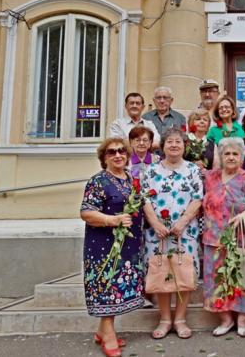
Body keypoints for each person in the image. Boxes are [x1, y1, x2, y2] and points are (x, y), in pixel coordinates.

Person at [80, 138, 144, 357]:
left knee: (117, 288)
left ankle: (102, 331)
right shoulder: (98, 181)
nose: (118, 155)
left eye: (122, 151)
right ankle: (108, 335)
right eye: (111, 152)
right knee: (107, 287)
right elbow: (86, 213)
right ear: (104, 157)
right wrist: (112, 220)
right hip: (103, 246)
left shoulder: (131, 179)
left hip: (128, 246)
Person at [142, 126, 203, 340]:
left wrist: (183, 222)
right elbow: (145, 199)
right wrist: (155, 223)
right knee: (161, 271)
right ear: (163, 146)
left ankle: (180, 319)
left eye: (178, 141)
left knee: (183, 272)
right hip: (157, 233)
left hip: (185, 232)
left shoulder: (193, 170)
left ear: (184, 146)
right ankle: (165, 319)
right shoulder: (151, 170)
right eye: (170, 141)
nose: (174, 145)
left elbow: (198, 198)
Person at [202, 138, 245, 338]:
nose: (231, 157)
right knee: (217, 280)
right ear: (220, 156)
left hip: (241, 238)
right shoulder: (209, 177)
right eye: (227, 154)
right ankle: (226, 319)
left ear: (241, 157)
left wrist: (242, 216)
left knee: (242, 278)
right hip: (214, 238)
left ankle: (243, 319)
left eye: (235, 154)